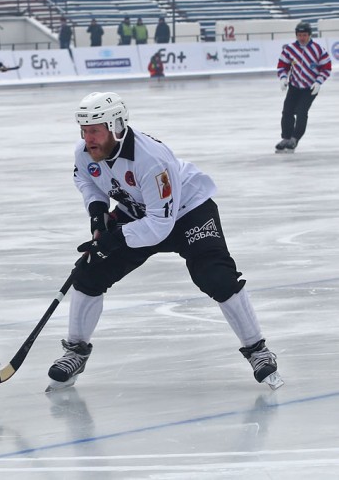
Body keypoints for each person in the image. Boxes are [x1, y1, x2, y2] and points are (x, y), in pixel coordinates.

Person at [46, 91, 283, 392]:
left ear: (116, 127)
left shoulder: (152, 159)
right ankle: (76, 352)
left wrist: (113, 239)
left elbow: (160, 225)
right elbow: (86, 179)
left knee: (217, 277)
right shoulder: (85, 152)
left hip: (188, 212)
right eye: (83, 130)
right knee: (89, 275)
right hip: (138, 212)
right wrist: (97, 214)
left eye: (94, 130)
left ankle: (257, 350)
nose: (87, 137)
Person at [275, 22, 332, 153]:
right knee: (287, 111)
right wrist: (283, 78)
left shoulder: (318, 50)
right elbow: (283, 65)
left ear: (309, 35)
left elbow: (326, 68)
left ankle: (295, 138)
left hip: (310, 88)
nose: (302, 38)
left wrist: (318, 82)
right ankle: (286, 137)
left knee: (301, 112)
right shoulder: (289, 49)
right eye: (299, 35)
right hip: (294, 86)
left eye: (304, 35)